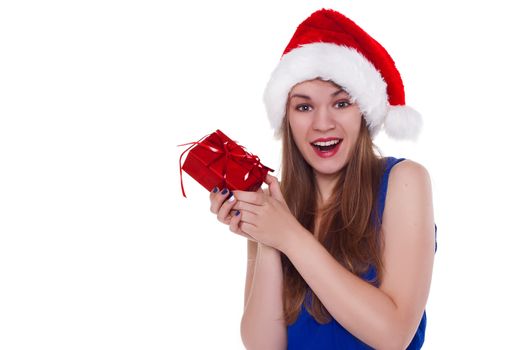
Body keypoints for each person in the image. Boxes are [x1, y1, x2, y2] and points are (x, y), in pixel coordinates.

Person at [209, 9, 436, 350]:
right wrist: (268, 238)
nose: (322, 123)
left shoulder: (404, 181)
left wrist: (289, 236)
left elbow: (393, 336)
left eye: (341, 103)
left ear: (363, 112)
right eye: (304, 107)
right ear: (286, 118)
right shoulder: (278, 206)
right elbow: (263, 346)